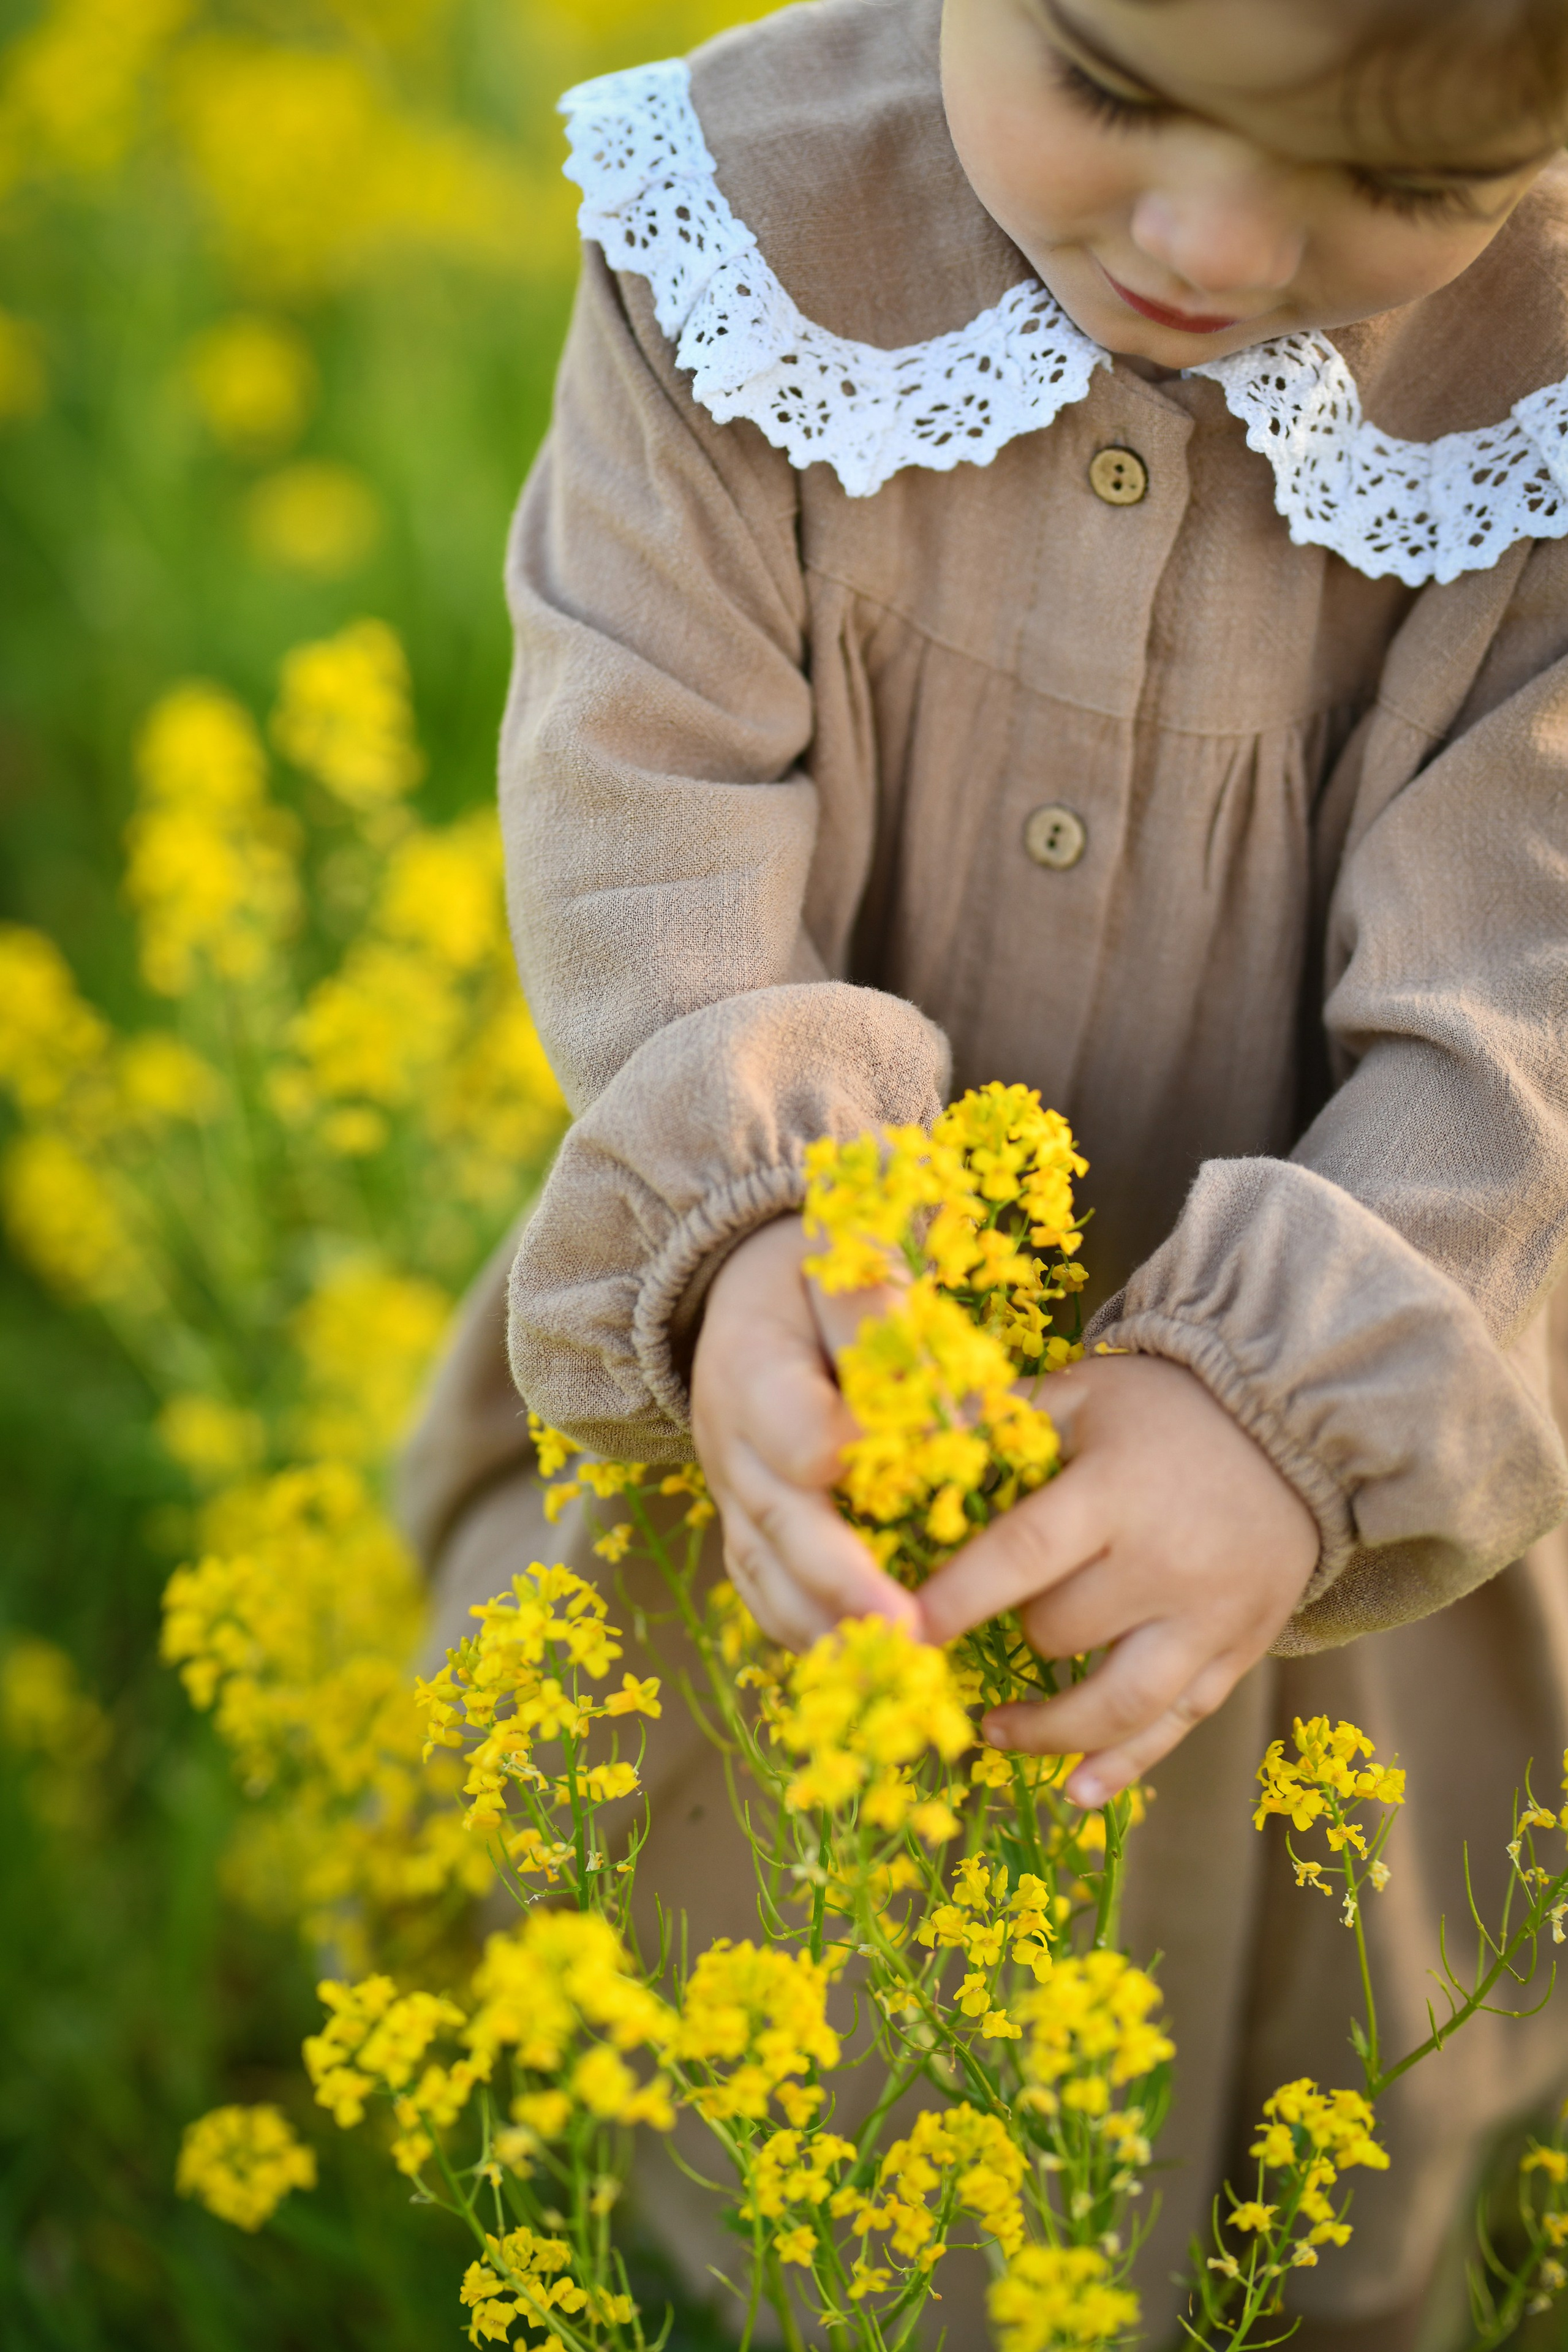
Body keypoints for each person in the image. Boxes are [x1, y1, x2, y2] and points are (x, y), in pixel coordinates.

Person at [401, 0, 1568, 2340]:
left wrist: (1291, 1402)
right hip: (810, 1381)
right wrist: (752, 1226)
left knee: (1289, 2122)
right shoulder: (737, 234)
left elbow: (1534, 989)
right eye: (1119, 95)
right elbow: (646, 786)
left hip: (1325, 1497)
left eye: (1401, 186)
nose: (1216, 242)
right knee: (739, 2047)